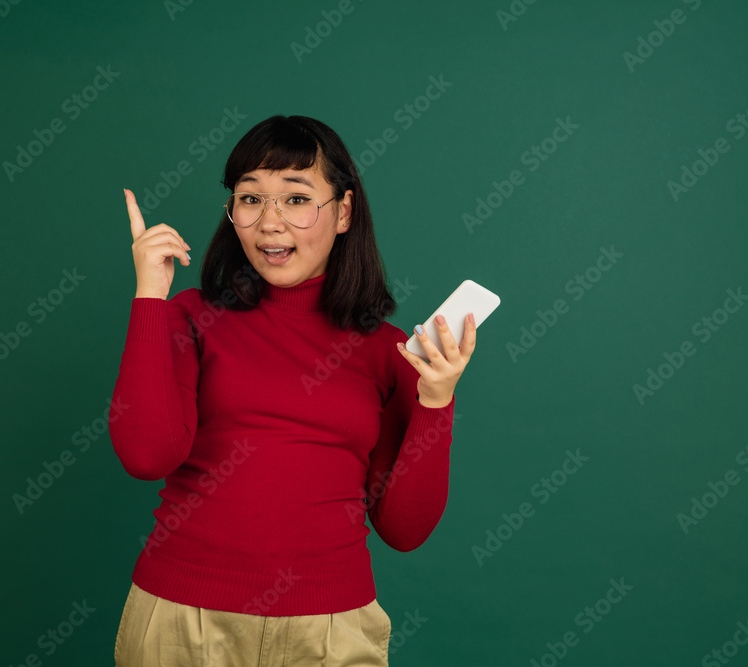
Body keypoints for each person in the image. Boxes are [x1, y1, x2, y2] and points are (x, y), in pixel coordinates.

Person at [109, 115, 476, 666]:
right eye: (250, 199)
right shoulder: (190, 317)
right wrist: (150, 299)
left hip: (331, 629)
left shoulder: (390, 352)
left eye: (297, 199)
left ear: (344, 212)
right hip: (184, 620)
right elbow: (146, 455)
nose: (269, 223)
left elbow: (403, 529)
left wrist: (436, 402)